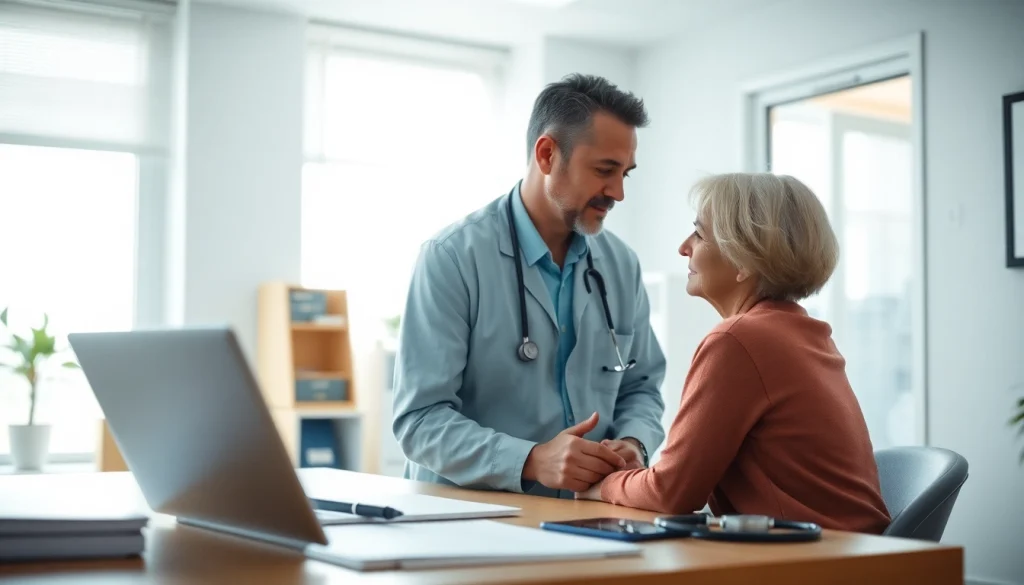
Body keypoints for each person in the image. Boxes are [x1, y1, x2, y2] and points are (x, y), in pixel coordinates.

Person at [391, 73, 667, 499]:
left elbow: (642, 388)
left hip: (586, 519)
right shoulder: (452, 258)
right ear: (547, 154)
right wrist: (532, 459)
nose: (617, 193)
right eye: (605, 170)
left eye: (625, 174)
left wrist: (634, 442)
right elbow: (420, 420)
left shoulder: (619, 265)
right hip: (469, 524)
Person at [578, 172, 892, 534]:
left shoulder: (738, 341)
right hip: (859, 555)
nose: (684, 247)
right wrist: (635, 475)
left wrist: (601, 484)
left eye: (699, 234)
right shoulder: (802, 333)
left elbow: (671, 493)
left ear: (745, 260)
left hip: (817, 564)